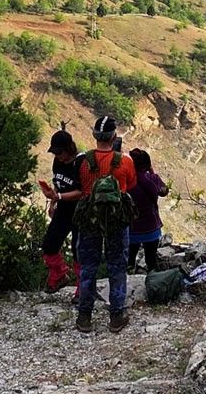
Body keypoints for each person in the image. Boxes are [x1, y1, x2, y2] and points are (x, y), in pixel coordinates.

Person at [73, 120, 140, 334]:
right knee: (117, 265)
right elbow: (130, 185)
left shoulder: (82, 161)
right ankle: (116, 316)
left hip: (89, 219)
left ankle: (84, 317)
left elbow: (80, 186)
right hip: (116, 219)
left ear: (94, 135)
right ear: (114, 137)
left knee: (88, 267)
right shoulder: (126, 161)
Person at [37, 128, 82, 292]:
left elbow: (82, 191)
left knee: (79, 251)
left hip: (80, 211)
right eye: (55, 153)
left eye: (60, 152)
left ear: (69, 149)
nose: (58, 156)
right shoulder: (58, 162)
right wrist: (53, 202)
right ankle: (59, 275)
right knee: (49, 244)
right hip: (63, 208)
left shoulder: (80, 163)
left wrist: (59, 197)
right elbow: (58, 183)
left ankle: (81, 288)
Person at [127, 147, 170, 273]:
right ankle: (151, 280)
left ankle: (129, 278)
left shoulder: (126, 180)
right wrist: (152, 173)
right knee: (151, 259)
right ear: (147, 164)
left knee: (129, 258)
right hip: (151, 227)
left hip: (132, 228)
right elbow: (164, 191)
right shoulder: (152, 179)